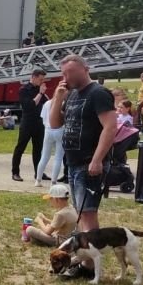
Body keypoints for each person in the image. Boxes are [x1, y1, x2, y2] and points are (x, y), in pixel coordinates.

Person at [49, 54, 116, 234]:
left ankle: (90, 252)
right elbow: (55, 123)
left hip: (89, 163)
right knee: (80, 211)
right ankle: (85, 248)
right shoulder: (72, 94)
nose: (66, 77)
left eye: (70, 72)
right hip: (73, 163)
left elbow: (110, 127)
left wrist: (97, 159)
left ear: (86, 69)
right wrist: (58, 98)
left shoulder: (98, 93)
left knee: (87, 213)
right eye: (64, 73)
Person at [11, 69, 48, 182]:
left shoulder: (39, 89)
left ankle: (38, 172)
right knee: (20, 147)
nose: (42, 82)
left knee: (38, 149)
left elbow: (47, 103)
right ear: (34, 77)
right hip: (27, 123)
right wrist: (40, 94)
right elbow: (29, 106)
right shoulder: (24, 90)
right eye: (40, 79)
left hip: (39, 123)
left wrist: (43, 94)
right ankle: (15, 172)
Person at [35, 97, 65, 186]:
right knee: (58, 157)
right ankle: (53, 181)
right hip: (60, 130)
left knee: (44, 156)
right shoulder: (64, 103)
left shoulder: (47, 103)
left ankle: (38, 179)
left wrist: (47, 126)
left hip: (48, 130)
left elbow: (43, 118)